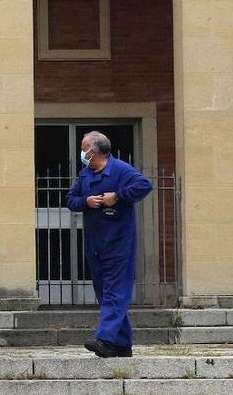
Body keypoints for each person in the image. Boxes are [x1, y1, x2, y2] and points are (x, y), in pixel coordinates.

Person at [66, 131, 153, 358]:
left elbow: (144, 185)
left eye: (84, 149)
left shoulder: (121, 170)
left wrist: (118, 196)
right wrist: (86, 201)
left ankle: (104, 339)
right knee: (105, 293)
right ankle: (122, 344)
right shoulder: (85, 175)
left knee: (115, 292)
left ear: (93, 152)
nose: (82, 153)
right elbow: (70, 200)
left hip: (119, 244)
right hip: (95, 244)